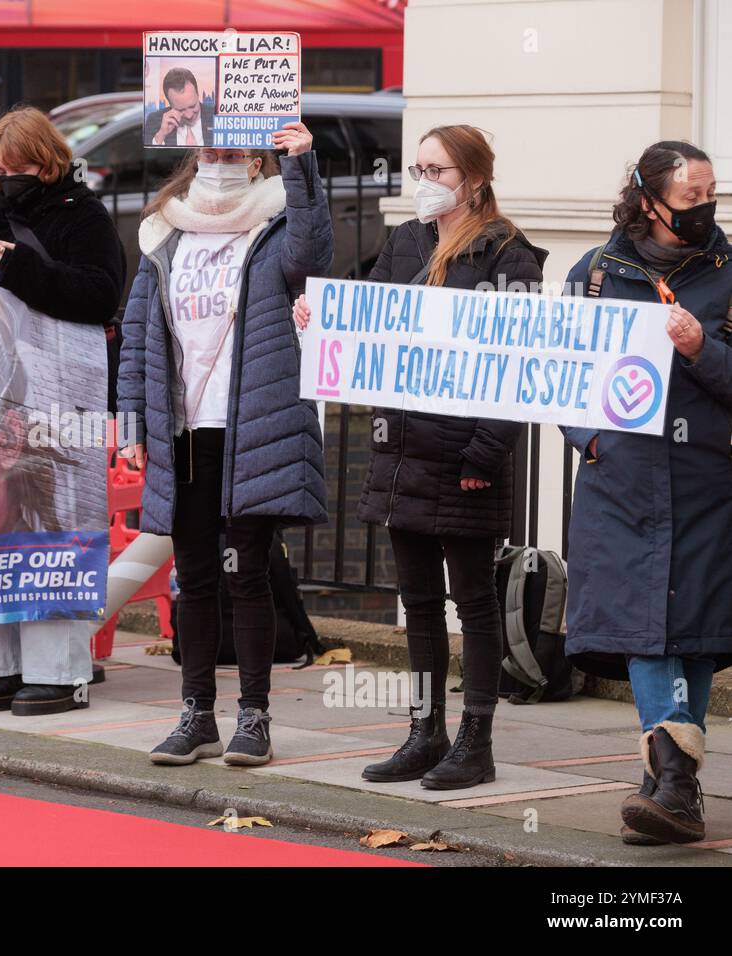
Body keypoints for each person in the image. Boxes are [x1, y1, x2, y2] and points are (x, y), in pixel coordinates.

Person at [295, 124, 546, 789]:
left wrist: (484, 453)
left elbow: (515, 365)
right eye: (418, 168)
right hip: (403, 451)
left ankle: (476, 740)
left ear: (474, 179)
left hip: (463, 456)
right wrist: (323, 324)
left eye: (436, 170)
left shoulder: (505, 254)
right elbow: (372, 323)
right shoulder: (407, 241)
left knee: (473, 601)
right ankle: (424, 732)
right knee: (418, 602)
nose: (422, 182)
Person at [118, 124, 332, 767]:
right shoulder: (163, 232)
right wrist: (130, 422)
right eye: (210, 148)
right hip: (181, 433)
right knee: (196, 578)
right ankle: (196, 714)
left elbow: (315, 254)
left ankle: (255, 717)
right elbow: (137, 334)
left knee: (248, 577)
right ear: (192, 155)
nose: (220, 158)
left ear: (255, 157)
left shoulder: (274, 221)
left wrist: (302, 165)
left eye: (234, 149)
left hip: (251, 428)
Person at [561, 141, 732, 845]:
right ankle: (674, 782)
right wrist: (590, 440)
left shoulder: (729, 274)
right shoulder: (595, 273)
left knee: (688, 628)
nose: (706, 210)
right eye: (692, 198)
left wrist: (703, 350)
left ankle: (670, 782)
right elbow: (556, 368)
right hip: (622, 483)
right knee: (642, 627)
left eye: (711, 195)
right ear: (650, 200)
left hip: (702, 482)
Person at [0, 105, 125, 716]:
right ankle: (7, 666)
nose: (6, 179)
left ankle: (61, 669)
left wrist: (21, 269)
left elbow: (98, 294)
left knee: (57, 528)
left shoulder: (85, 216)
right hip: (2, 402)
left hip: (63, 399)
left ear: (47, 163)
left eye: (16, 169)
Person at [143, 68, 215, 147]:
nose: (189, 115)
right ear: (170, 104)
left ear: (198, 94)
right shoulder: (154, 121)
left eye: (192, 106)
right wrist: (161, 135)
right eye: (181, 110)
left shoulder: (217, 115)